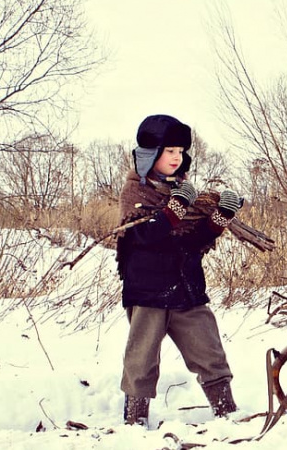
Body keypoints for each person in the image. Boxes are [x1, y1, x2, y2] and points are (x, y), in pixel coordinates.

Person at [115, 114, 242, 426]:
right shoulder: (136, 192)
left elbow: (194, 242)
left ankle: (228, 414)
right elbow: (143, 236)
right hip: (147, 291)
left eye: (180, 151)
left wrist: (220, 217)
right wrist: (174, 210)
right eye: (169, 150)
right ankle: (134, 423)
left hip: (187, 289)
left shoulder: (186, 192)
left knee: (210, 352)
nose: (177, 157)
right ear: (150, 154)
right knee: (141, 361)